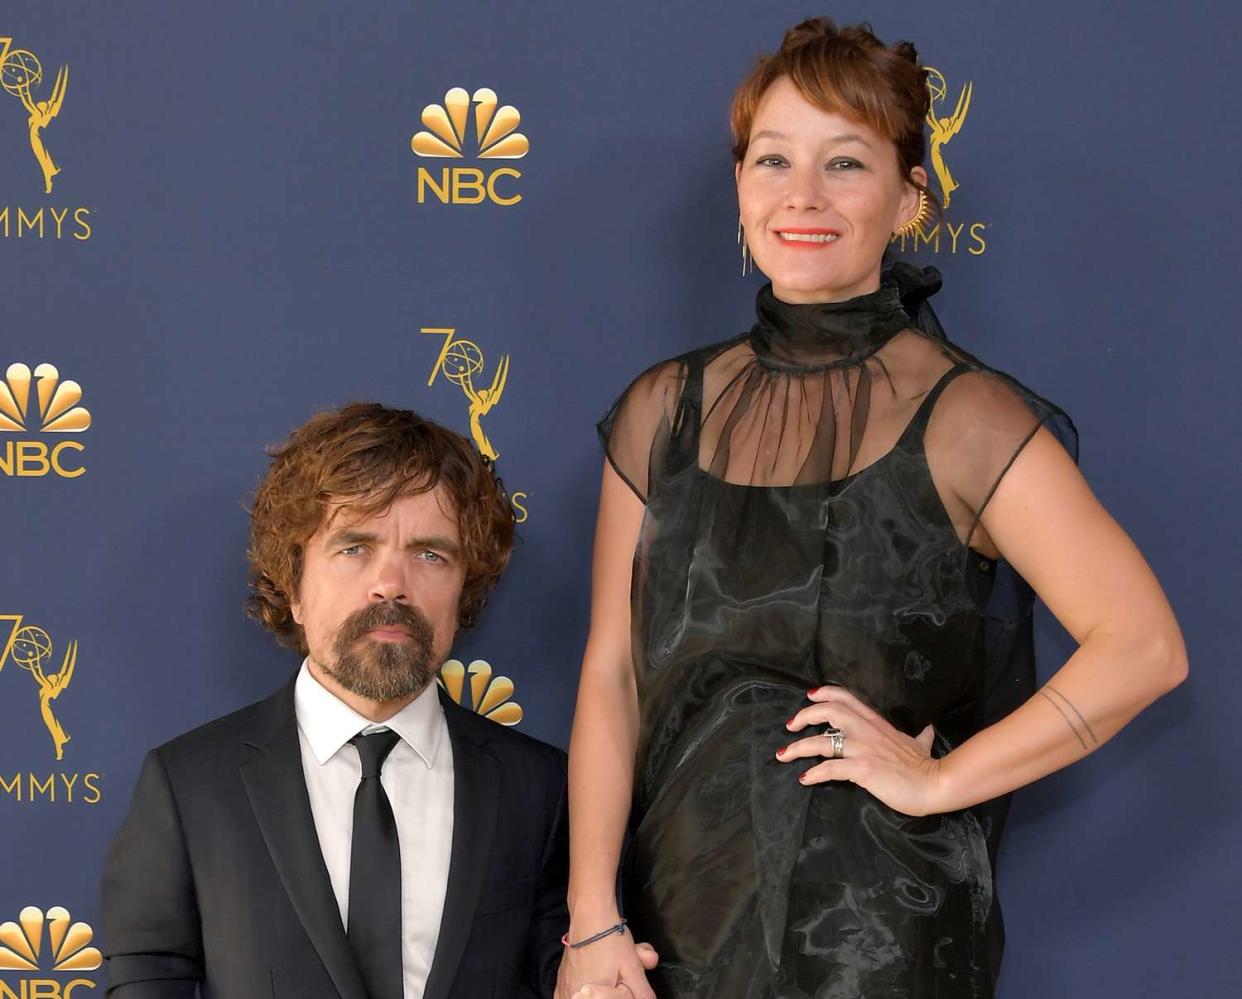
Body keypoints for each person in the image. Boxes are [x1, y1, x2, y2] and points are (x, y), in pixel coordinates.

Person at [556, 18, 1187, 999]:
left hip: (881, 941)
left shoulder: (966, 418)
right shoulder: (659, 411)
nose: (800, 196)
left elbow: (1144, 647)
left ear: (908, 201)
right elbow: (610, 676)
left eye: (844, 162)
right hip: (671, 930)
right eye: (773, 160)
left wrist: (941, 780)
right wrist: (591, 916)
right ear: (740, 188)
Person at [102, 403, 569, 999]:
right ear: (292, 585)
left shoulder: (541, 788)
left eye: (431, 554)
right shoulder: (189, 785)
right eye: (353, 547)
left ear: (465, 593)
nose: (391, 583)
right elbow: (148, 977)